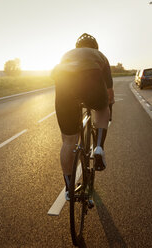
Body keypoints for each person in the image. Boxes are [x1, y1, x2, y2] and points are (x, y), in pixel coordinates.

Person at [51, 33, 114, 200]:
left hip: (64, 85)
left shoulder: (67, 54)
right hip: (91, 81)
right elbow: (109, 92)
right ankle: (98, 147)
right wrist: (109, 108)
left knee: (68, 142)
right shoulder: (99, 55)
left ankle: (69, 189)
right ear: (95, 46)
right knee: (102, 108)